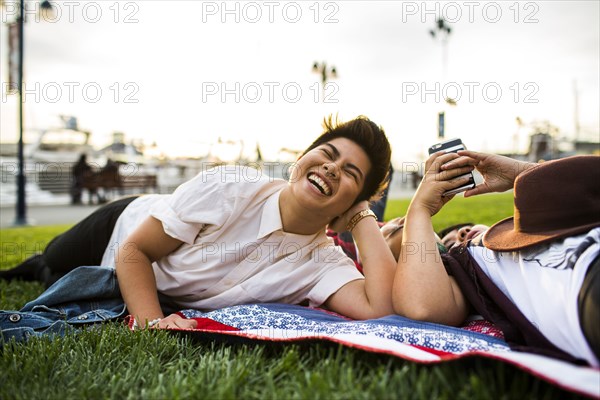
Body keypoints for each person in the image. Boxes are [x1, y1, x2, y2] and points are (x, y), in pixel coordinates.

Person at [0, 116, 396, 334]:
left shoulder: (322, 262)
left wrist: (362, 218)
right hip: (119, 228)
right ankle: (34, 264)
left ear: (356, 198)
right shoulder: (230, 186)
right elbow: (135, 251)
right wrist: (152, 321)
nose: (330, 167)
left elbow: (379, 308)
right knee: (52, 261)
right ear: (301, 159)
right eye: (326, 154)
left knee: (59, 280)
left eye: (350, 174)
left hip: (134, 277)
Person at [392, 151, 600, 366]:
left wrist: (521, 172)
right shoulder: (469, 269)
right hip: (585, 285)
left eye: (466, 227)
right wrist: (420, 209)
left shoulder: (526, 222)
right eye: (450, 241)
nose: (462, 233)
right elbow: (422, 306)